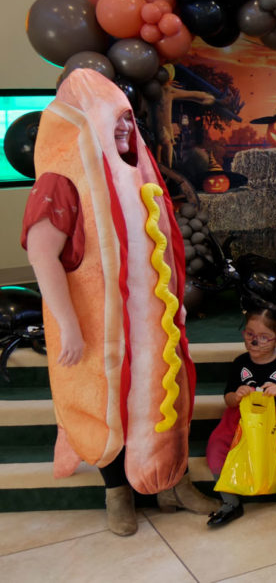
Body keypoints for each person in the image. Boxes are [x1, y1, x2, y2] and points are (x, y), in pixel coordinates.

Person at [22, 68, 217, 536]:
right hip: (98, 325)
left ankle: (172, 481)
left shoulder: (134, 173)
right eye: (115, 120)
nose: (126, 128)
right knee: (111, 405)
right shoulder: (61, 179)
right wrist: (68, 324)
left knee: (166, 394)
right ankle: (117, 493)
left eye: (128, 119)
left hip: (150, 324)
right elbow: (42, 253)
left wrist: (173, 305)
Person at [206, 307, 276, 530]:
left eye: (264, 337)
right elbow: (227, 398)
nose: (255, 343)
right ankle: (230, 502)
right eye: (249, 335)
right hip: (244, 417)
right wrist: (236, 396)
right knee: (217, 444)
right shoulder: (240, 363)